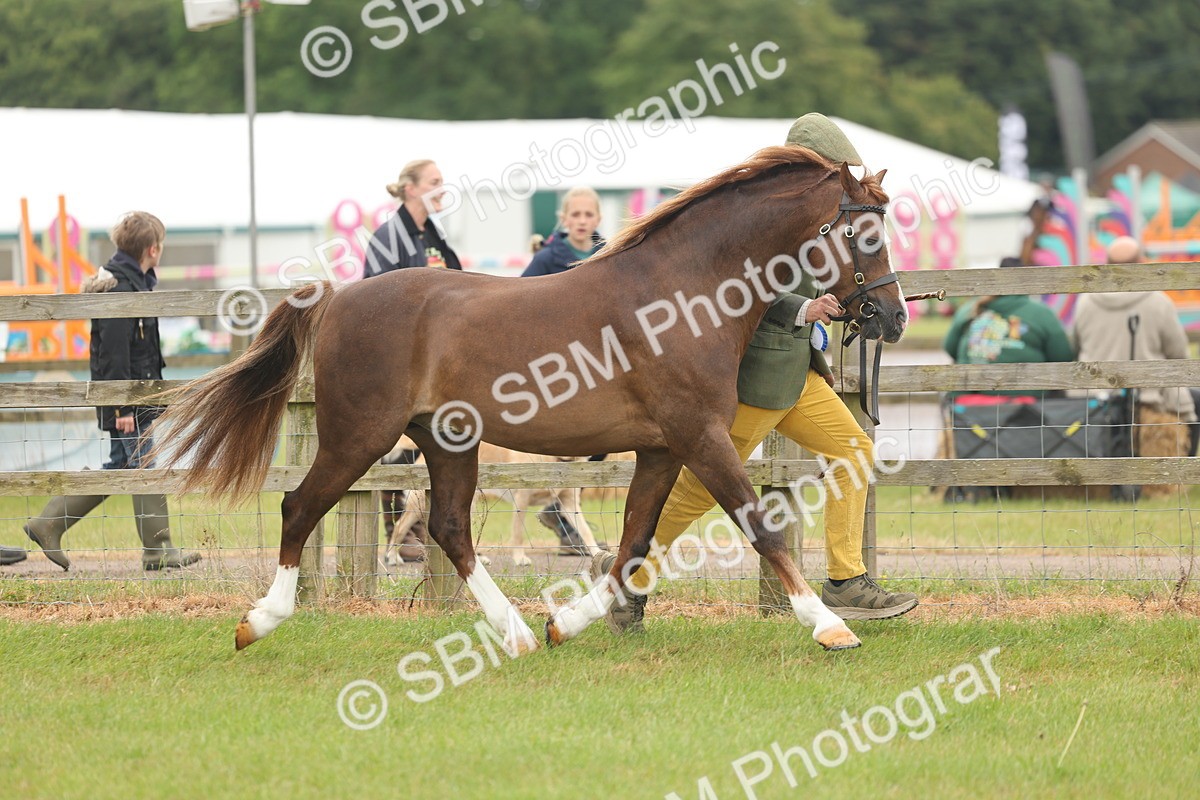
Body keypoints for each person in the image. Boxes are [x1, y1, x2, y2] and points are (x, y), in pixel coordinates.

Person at [591, 113, 919, 633]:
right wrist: (801, 310)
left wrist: (863, 302)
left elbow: (833, 275)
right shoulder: (770, 219)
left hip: (798, 375)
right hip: (759, 375)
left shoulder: (826, 218)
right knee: (699, 491)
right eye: (838, 169)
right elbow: (739, 289)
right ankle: (628, 578)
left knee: (854, 452)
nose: (844, 180)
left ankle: (846, 578)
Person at [23, 212, 201, 571]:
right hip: (128, 401)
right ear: (153, 249)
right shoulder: (122, 287)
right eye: (161, 245)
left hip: (134, 398)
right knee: (143, 464)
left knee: (121, 466)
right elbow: (115, 354)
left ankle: (48, 524)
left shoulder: (133, 281)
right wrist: (120, 407)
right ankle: (159, 550)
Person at [362, 160, 461, 561]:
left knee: (429, 441)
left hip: (435, 361)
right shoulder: (389, 237)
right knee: (396, 443)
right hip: (401, 358)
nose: (442, 189)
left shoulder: (432, 234)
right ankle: (401, 532)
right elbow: (375, 297)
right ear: (411, 189)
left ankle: (424, 529)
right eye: (435, 182)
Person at [1071, 236, 1197, 494]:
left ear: (1106, 265)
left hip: (1093, 399)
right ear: (1141, 263)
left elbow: (1075, 346)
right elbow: (1179, 355)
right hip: (1150, 397)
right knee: (1195, 401)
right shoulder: (1157, 301)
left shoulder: (1085, 302)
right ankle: (1181, 473)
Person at [521, 187, 608, 555]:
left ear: (598, 219)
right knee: (564, 441)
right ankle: (564, 520)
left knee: (602, 439)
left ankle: (559, 512)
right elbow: (517, 297)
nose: (582, 221)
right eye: (575, 215)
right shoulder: (547, 258)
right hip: (557, 366)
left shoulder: (610, 254)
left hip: (597, 363)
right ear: (564, 219)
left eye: (588, 215)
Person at [943, 257, 1074, 403]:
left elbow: (950, 347)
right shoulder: (1041, 313)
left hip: (971, 402)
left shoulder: (969, 309)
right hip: (1027, 402)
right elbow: (1063, 357)